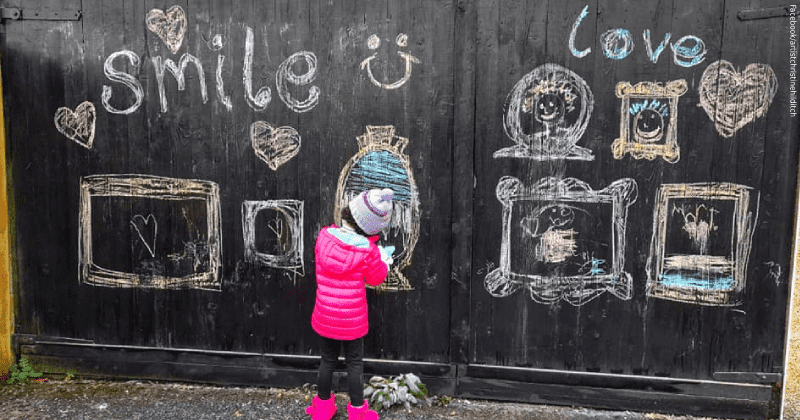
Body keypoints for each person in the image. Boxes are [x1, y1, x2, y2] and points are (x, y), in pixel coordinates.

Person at [305, 188, 395, 420]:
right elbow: (375, 279)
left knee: (327, 361)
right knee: (354, 363)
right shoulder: (368, 251)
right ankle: (357, 413)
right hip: (351, 319)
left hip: (325, 314)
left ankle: (323, 408)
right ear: (371, 228)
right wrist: (384, 261)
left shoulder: (324, 236)